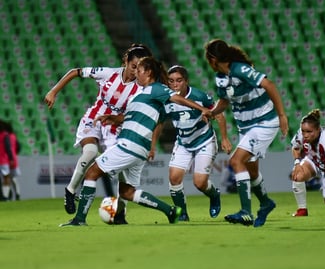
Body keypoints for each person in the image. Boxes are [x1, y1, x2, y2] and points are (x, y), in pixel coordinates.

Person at [59, 56, 213, 226]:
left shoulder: (156, 89)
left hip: (130, 144)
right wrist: (115, 118)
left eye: (138, 71)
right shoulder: (141, 94)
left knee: (91, 173)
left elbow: (176, 98)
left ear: (148, 72)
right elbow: (133, 116)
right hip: (139, 148)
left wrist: (202, 109)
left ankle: (79, 219)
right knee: (127, 192)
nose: (136, 74)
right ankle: (170, 211)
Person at [44, 43, 153, 215]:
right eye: (133, 67)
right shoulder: (108, 74)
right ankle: (70, 191)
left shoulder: (141, 88)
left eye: (139, 68)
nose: (135, 71)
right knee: (90, 152)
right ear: (125, 61)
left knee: (121, 168)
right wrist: (53, 91)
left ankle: (121, 211)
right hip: (93, 119)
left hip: (114, 128)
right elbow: (75, 71)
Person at [204, 39, 289, 227]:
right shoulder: (220, 77)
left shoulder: (240, 70)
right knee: (251, 171)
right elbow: (224, 102)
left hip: (264, 122)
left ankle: (245, 212)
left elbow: (269, 84)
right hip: (247, 127)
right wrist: (212, 112)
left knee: (236, 161)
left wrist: (282, 115)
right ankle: (266, 203)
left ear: (213, 59)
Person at [151, 65, 232, 221]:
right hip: (183, 143)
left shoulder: (199, 96)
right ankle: (183, 214)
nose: (175, 85)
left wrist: (225, 138)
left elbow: (219, 115)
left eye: (179, 81)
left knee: (200, 183)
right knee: (174, 178)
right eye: (171, 81)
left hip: (204, 141)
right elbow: (160, 122)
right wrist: (153, 145)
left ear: (186, 81)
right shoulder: (166, 99)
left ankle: (214, 195)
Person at [0, 120, 21, 201]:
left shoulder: (6, 136)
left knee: (9, 178)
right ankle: (13, 195)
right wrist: (12, 157)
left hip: (7, 159)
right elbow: (16, 147)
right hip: (8, 160)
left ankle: (7, 196)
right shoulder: (10, 136)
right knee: (11, 178)